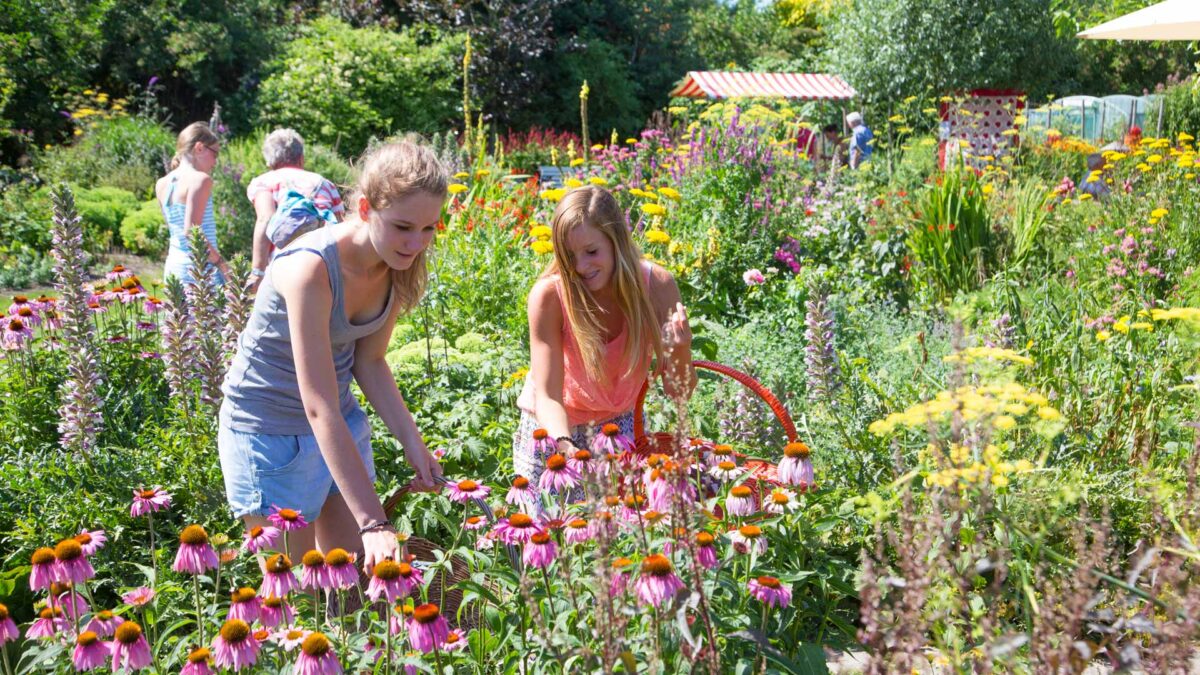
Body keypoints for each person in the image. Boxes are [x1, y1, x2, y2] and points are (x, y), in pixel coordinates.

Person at [218, 139, 445, 570]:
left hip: (337, 426)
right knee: (296, 591)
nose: (416, 242)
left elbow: (370, 363)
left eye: (429, 228)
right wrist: (375, 522)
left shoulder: (397, 265)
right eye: (402, 226)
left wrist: (414, 444)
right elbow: (316, 404)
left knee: (349, 580)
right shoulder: (310, 270)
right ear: (365, 209)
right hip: (270, 432)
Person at [514, 186, 696, 484]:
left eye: (592, 252)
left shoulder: (656, 287)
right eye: (569, 256)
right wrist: (564, 445)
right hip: (554, 428)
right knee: (554, 527)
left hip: (619, 426)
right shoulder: (550, 296)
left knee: (627, 526)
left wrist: (680, 350)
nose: (580, 267)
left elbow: (679, 393)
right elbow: (547, 395)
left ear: (616, 242)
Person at [246, 129, 346, 291]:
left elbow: (265, 219)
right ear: (301, 158)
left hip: (280, 267)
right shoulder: (324, 184)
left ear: (270, 162)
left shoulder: (263, 183)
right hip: (321, 265)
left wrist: (257, 272)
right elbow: (340, 227)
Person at [157, 122, 230, 285]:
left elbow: (175, 230)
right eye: (215, 154)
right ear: (199, 148)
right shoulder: (200, 179)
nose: (215, 162)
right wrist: (222, 266)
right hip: (199, 271)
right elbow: (191, 232)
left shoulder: (162, 183)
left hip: (173, 268)